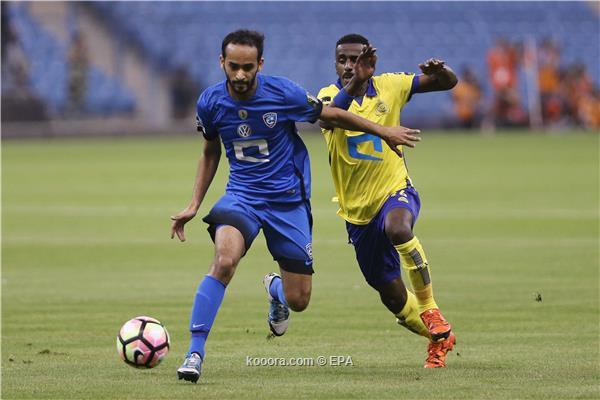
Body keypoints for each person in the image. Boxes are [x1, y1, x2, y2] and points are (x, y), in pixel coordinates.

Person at [170, 29, 422, 383]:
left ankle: (275, 290)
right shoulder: (210, 102)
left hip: (288, 203)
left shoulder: (283, 93)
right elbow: (210, 149)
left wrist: (384, 131)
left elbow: (331, 116)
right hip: (242, 196)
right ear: (221, 63)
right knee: (224, 260)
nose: (240, 75)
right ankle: (194, 353)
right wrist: (195, 202)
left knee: (299, 299)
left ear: (260, 64)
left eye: (247, 67)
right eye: (233, 67)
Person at [317, 33, 457, 368]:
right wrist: (357, 85)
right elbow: (330, 117)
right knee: (391, 294)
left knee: (398, 228)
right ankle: (439, 339)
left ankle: (431, 310)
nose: (349, 66)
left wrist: (442, 70)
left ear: (370, 60)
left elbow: (447, 84)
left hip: (394, 190)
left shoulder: (391, 85)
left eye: (356, 59)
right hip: (357, 212)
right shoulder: (325, 96)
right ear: (335, 62)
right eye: (343, 60)